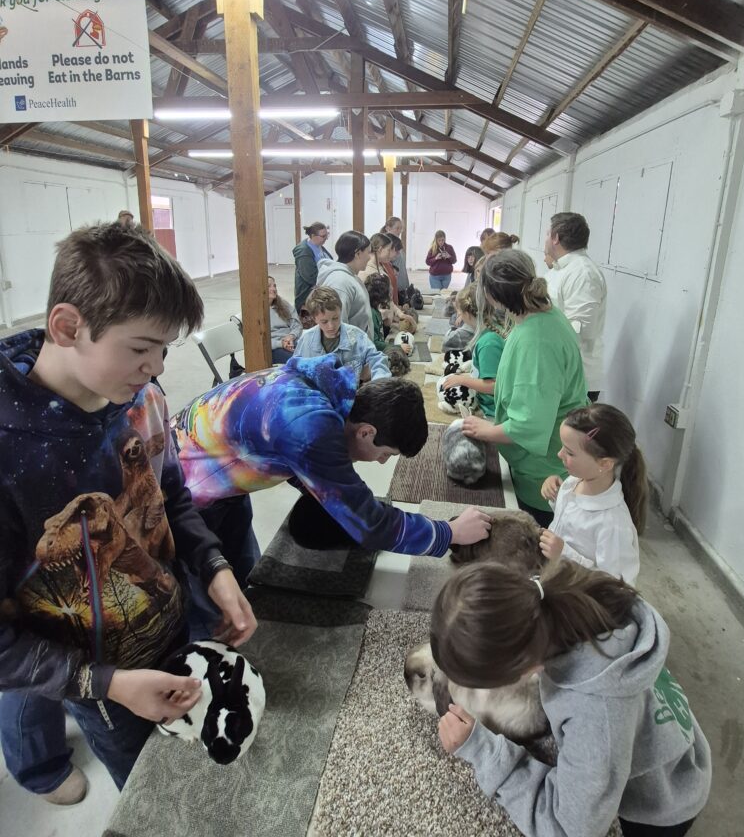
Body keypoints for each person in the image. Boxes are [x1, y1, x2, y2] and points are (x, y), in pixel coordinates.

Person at [0, 222, 255, 802]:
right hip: (99, 685)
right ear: (68, 327)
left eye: (164, 349)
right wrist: (107, 684)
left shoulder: (142, 397)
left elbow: (171, 494)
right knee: (153, 794)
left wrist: (213, 567)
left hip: (172, 632)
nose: (156, 367)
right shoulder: (10, 447)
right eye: (140, 349)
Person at [432, 561, 711, 837]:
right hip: (682, 756)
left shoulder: (594, 714)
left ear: (522, 671)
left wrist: (482, 750)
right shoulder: (568, 591)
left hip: (662, 807)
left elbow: (567, 829)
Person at [175, 356, 492, 554]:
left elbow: (289, 452)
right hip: (185, 488)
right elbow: (370, 524)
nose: (381, 462)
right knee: (211, 596)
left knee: (240, 569)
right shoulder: (312, 427)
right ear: (366, 432)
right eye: (385, 453)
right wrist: (449, 532)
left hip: (219, 475)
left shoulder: (331, 392)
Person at [461, 249, 588, 528]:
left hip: (544, 474)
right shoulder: (541, 317)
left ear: (492, 295)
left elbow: (530, 422)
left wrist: (486, 431)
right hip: (542, 461)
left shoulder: (537, 340)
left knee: (536, 539)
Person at [539, 403, 647, 585]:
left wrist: (564, 554)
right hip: (554, 579)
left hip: (576, 595)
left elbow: (616, 585)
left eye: (569, 452)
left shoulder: (613, 525)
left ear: (604, 464)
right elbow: (573, 518)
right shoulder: (573, 482)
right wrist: (556, 495)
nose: (559, 454)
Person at [544, 211, 607, 401]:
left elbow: (580, 331)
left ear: (556, 238)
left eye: (547, 233)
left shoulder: (583, 273)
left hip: (575, 379)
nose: (545, 239)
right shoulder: (560, 270)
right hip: (558, 372)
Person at [294, 286, 389, 384]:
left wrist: (379, 381)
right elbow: (293, 371)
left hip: (350, 392)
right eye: (324, 322)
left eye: (335, 318)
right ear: (314, 319)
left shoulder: (357, 337)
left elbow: (377, 359)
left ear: (340, 310)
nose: (331, 326)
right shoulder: (305, 341)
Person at [440, 284, 506, 421]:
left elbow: (494, 386)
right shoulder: (488, 333)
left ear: (467, 313)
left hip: (491, 410)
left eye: (459, 312)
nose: (458, 315)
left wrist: (463, 380)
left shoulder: (489, 343)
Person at [316, 230, 374, 337]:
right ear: (358, 254)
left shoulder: (350, 276)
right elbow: (336, 328)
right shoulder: (340, 282)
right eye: (368, 252)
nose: (370, 257)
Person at [362, 233, 415, 334]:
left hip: (385, 321)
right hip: (376, 324)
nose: (391, 253)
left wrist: (399, 314)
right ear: (380, 249)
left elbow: (386, 298)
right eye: (389, 249)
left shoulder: (380, 266)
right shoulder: (367, 271)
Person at [292, 221, 332, 312]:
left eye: (327, 235)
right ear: (313, 236)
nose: (326, 239)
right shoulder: (303, 251)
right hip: (308, 296)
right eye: (323, 236)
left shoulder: (319, 246)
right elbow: (310, 276)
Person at [268, 276, 302, 365]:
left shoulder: (283, 305)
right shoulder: (256, 313)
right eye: (269, 286)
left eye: (274, 286)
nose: (273, 289)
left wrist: (291, 336)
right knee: (300, 362)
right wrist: (281, 343)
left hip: (291, 342)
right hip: (275, 349)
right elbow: (258, 343)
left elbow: (297, 325)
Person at [381, 216, 410, 303]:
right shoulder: (385, 246)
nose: (400, 231)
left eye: (401, 228)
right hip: (393, 287)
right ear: (388, 228)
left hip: (401, 286)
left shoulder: (397, 243)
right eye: (397, 228)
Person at [365, 273, 392, 351]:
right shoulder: (372, 313)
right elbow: (374, 343)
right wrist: (396, 347)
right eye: (389, 287)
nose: (391, 289)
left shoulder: (376, 311)